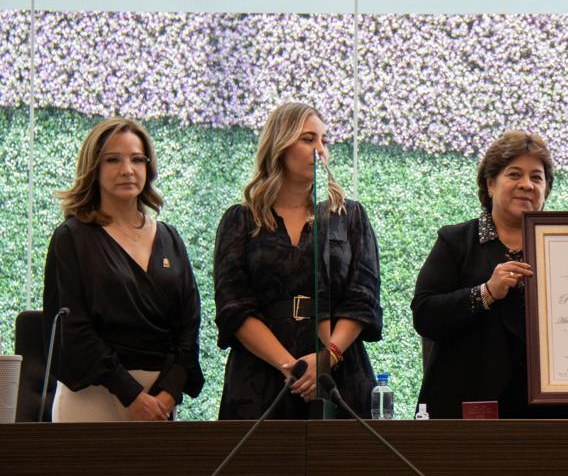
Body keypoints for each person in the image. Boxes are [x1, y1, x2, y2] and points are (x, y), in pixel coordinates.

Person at [214, 102, 382, 419]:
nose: (320, 150)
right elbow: (233, 306)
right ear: (280, 144)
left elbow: (363, 296)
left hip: (340, 374)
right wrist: (291, 367)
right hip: (260, 377)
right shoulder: (240, 220)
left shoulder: (348, 216)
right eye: (308, 139)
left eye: (324, 141)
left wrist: (327, 357)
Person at [413, 131, 568, 419]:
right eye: (514, 174)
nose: (526, 185)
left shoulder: (567, 247)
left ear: (546, 190)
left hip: (555, 412)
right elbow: (425, 315)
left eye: (537, 177)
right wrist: (485, 292)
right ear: (490, 184)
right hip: (470, 412)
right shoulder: (456, 241)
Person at [42, 118, 204, 421]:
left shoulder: (170, 238)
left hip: (159, 403)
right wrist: (131, 395)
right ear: (94, 167)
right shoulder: (72, 238)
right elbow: (74, 328)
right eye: (113, 159)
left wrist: (168, 393)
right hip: (93, 397)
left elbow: (189, 325)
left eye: (137, 159)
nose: (128, 169)